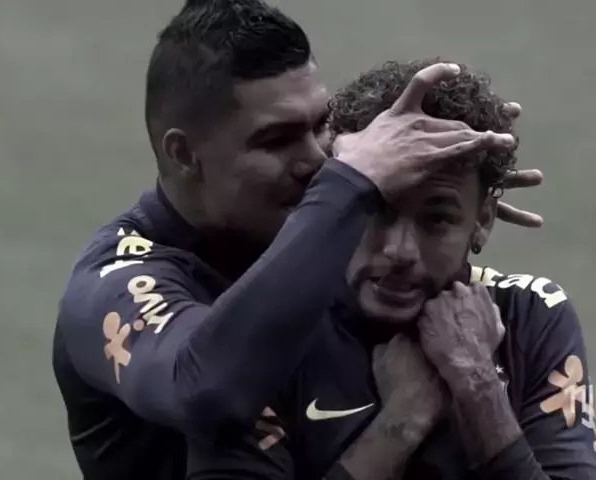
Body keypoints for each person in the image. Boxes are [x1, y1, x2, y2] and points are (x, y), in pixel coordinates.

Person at [53, 1, 540, 478]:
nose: (318, 160)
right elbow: (207, 392)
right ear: (183, 154)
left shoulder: (310, 233)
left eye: (320, 125)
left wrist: (445, 195)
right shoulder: (111, 284)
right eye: (276, 140)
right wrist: (348, 188)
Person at [184, 60, 596, 480]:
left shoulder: (530, 315)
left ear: (483, 220)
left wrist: (477, 385)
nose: (400, 251)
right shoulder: (260, 335)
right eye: (378, 208)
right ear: (340, 199)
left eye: (436, 219)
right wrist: (400, 424)